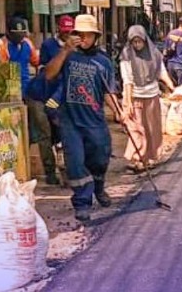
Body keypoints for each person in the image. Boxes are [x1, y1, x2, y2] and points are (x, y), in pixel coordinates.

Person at [45, 14, 117, 222]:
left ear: (96, 37)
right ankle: (82, 202)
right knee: (75, 162)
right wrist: (66, 49)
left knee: (100, 157)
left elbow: (109, 92)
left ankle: (99, 187)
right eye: (79, 34)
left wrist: (122, 113)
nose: (83, 38)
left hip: (94, 120)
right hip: (70, 120)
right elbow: (49, 74)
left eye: (88, 35)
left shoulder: (103, 61)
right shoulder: (66, 56)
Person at [26, 15, 75, 185]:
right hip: (39, 94)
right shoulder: (48, 45)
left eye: (70, 32)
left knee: (63, 133)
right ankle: (50, 173)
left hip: (59, 96)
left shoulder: (77, 49)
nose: (67, 35)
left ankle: (68, 171)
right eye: (64, 31)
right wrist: (65, 52)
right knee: (44, 134)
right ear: (58, 29)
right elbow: (47, 73)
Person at [120, 25, 174, 173]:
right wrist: (129, 101)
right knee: (137, 128)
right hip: (135, 96)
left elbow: (161, 71)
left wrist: (171, 86)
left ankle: (150, 157)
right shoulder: (126, 55)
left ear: (145, 40)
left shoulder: (154, 53)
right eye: (134, 42)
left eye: (140, 41)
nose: (137, 45)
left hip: (152, 95)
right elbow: (127, 80)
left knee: (152, 127)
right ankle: (137, 158)